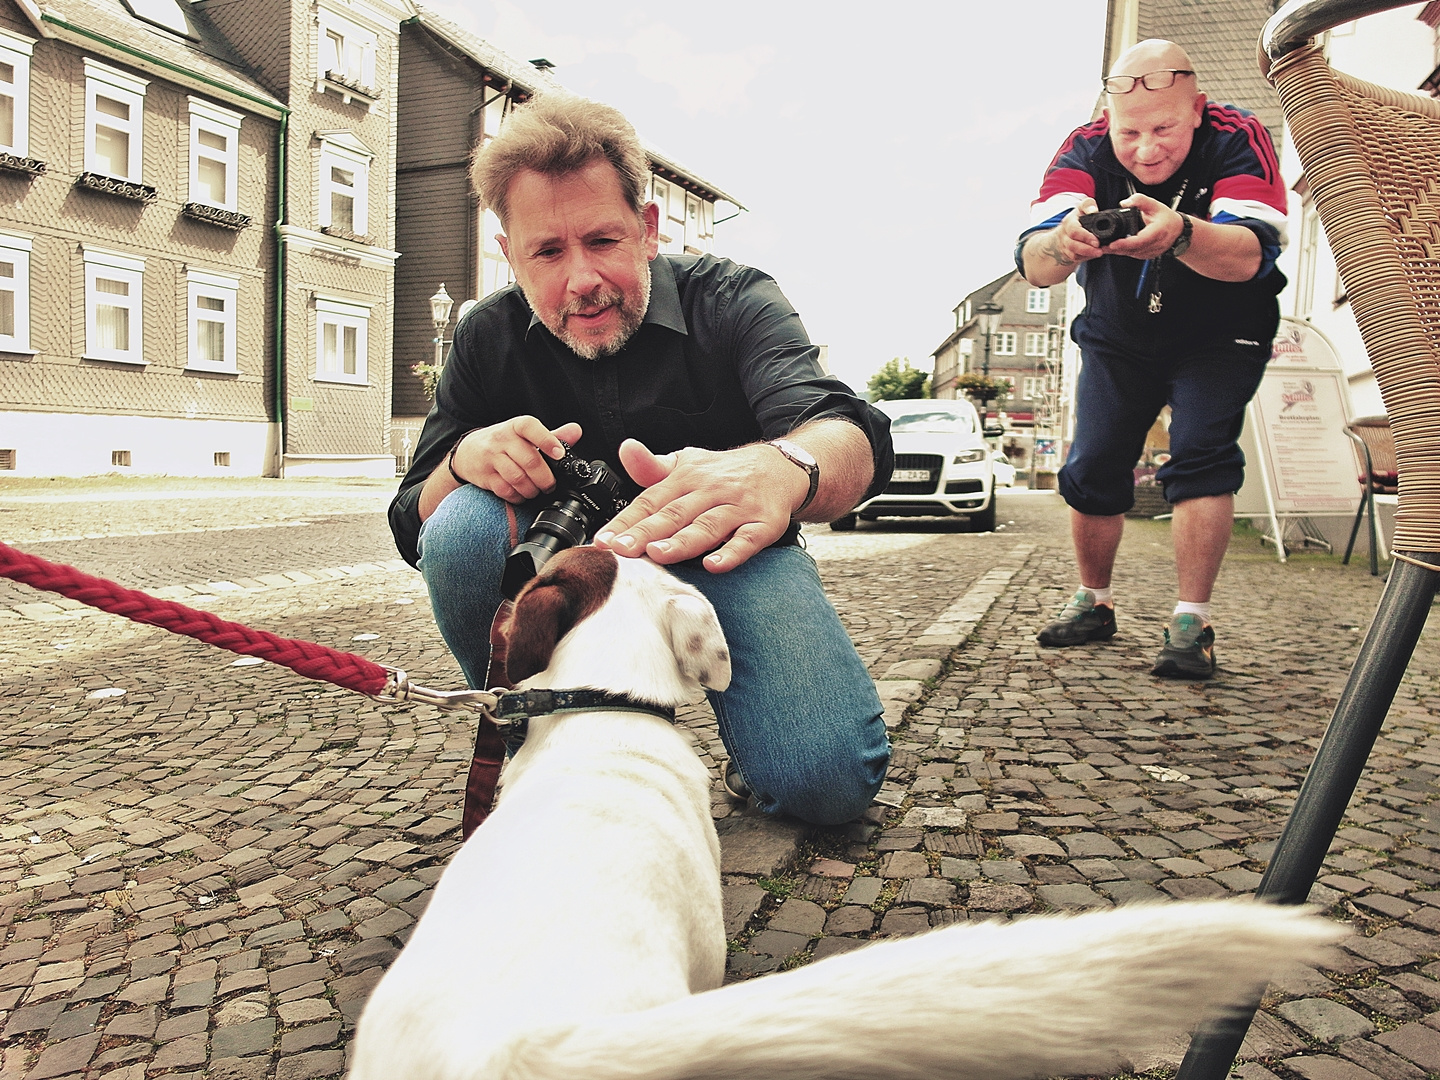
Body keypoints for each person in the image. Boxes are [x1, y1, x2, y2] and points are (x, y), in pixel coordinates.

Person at [389, 93, 894, 825]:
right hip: (559, 559)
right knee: (462, 524)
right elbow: (414, 523)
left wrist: (780, 469)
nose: (582, 279)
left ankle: (757, 754)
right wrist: (464, 457)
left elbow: (845, 430)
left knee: (827, 787)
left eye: (602, 240)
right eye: (548, 252)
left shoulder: (736, 298)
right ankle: (534, 736)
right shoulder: (484, 336)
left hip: (720, 545)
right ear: (509, 253)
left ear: (648, 228)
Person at [1016, 38, 1287, 679]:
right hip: (1118, 330)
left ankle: (1191, 621)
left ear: (1195, 109)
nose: (1145, 148)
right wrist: (1063, 241)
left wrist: (1181, 233)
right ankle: (1094, 601)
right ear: (1109, 119)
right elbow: (1035, 267)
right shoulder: (1083, 145)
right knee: (1093, 463)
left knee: (1201, 453)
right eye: (1129, 132)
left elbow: (1251, 253)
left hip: (1223, 329)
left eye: (1163, 127)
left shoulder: (1237, 135)